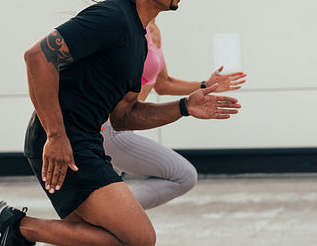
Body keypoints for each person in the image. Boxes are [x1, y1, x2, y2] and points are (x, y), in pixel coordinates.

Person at [0, 0, 241, 246]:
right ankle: (17, 226)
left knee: (107, 241)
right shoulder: (112, 17)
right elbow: (38, 57)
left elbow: (124, 116)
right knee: (140, 239)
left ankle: (16, 228)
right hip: (65, 140)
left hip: (85, 139)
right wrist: (56, 136)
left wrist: (185, 106)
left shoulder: (138, 37)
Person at [102, 17, 246, 209]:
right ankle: (111, 214)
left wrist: (206, 85)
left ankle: (105, 217)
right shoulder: (127, 25)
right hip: (108, 126)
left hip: (124, 126)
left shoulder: (154, 30)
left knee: (103, 205)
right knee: (183, 176)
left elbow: (163, 84)